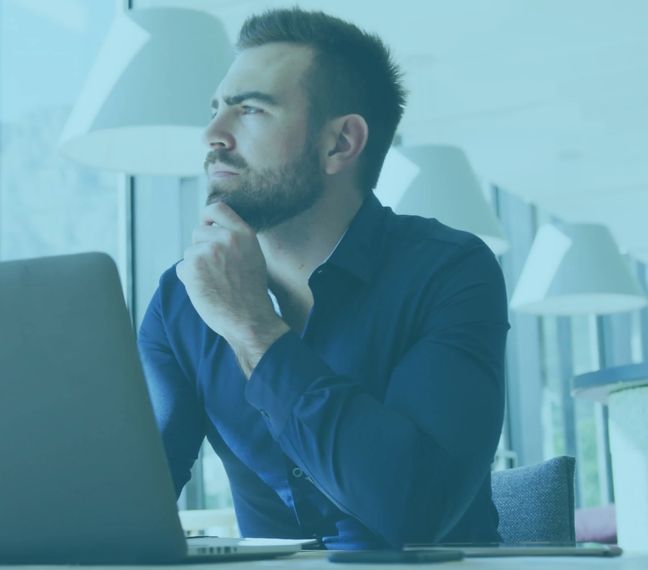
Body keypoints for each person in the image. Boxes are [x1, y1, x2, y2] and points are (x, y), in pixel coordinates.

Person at [138, 8, 509, 550]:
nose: (213, 134)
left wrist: (253, 328)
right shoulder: (182, 297)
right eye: (217, 110)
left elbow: (415, 511)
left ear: (340, 144)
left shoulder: (451, 272)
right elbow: (133, 492)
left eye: (251, 110)